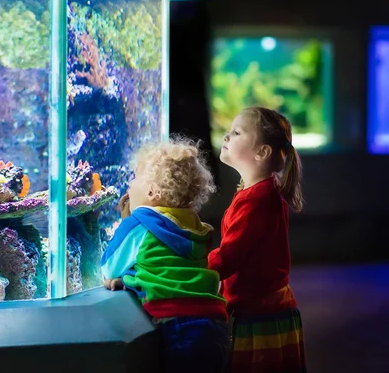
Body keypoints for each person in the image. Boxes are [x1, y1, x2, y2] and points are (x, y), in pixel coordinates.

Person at [101, 136, 230, 373]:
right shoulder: (194, 224)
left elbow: (109, 267)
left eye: (135, 178)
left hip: (176, 324)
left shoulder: (140, 222)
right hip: (215, 321)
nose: (130, 185)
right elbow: (166, 262)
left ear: (151, 190)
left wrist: (126, 222)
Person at [208, 106, 307, 372]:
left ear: (262, 152)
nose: (227, 136)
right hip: (266, 308)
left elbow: (229, 257)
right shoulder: (260, 192)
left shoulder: (256, 200)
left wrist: (192, 265)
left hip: (260, 314)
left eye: (237, 132)